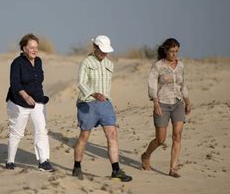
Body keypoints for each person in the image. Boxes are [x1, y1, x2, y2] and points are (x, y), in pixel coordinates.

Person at [72, 35, 133, 182]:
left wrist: (103, 97)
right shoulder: (86, 62)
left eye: (106, 51)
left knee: (112, 135)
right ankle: (77, 166)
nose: (104, 53)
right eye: (102, 50)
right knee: (84, 137)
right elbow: (81, 83)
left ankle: (116, 170)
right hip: (87, 103)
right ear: (95, 47)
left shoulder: (110, 64)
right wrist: (94, 93)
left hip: (106, 104)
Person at [141, 38, 191, 178]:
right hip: (162, 103)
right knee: (160, 139)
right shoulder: (158, 66)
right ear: (166, 51)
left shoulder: (181, 66)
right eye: (172, 51)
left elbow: (183, 84)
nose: (174, 54)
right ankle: (146, 155)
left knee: (177, 136)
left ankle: (173, 168)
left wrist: (187, 101)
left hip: (178, 103)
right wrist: (155, 102)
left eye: (177, 51)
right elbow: (152, 84)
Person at [5, 33, 55, 172]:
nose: (34, 50)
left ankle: (43, 161)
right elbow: (15, 84)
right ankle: (10, 161)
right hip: (19, 102)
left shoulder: (38, 61)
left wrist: (40, 99)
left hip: (38, 101)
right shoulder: (17, 63)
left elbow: (38, 81)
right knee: (17, 133)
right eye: (31, 47)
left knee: (41, 130)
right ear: (24, 48)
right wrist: (25, 96)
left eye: (36, 47)